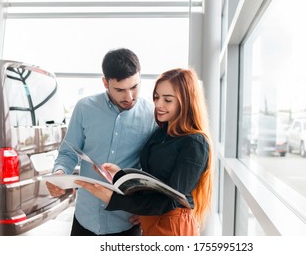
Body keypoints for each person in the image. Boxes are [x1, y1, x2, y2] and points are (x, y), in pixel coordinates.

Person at [76, 68, 213, 236]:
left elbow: (170, 199)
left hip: (172, 225)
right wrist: (119, 175)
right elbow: (152, 181)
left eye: (168, 100)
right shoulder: (161, 132)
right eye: (156, 97)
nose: (158, 105)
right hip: (151, 221)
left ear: (186, 102)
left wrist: (113, 199)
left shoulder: (195, 143)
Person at [46, 48, 157, 236]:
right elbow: (68, 153)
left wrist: (148, 208)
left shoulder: (152, 115)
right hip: (84, 219)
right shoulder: (84, 108)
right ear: (105, 83)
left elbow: (156, 169)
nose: (129, 97)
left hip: (126, 222)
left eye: (134, 87)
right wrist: (59, 174)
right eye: (120, 90)